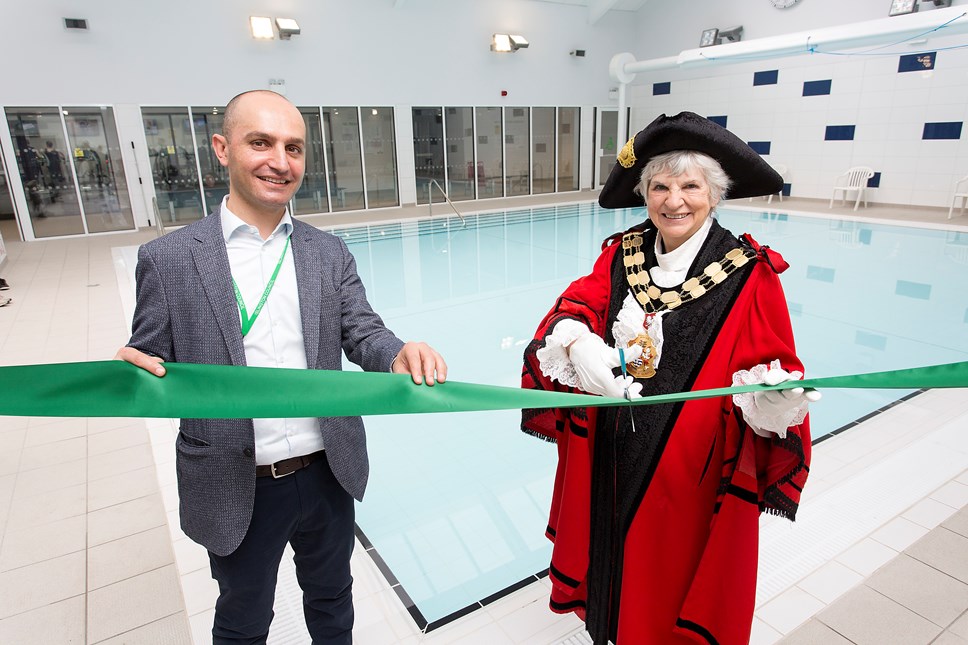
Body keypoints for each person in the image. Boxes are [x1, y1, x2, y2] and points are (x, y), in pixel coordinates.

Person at [116, 89, 447, 644]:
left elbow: (360, 330)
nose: (280, 161)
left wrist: (396, 353)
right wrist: (132, 370)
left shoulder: (327, 251)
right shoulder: (170, 259)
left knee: (333, 603)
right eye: (260, 143)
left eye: (293, 148)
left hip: (326, 469)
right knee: (243, 621)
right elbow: (150, 358)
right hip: (234, 478)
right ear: (222, 149)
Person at [521, 111, 818, 645]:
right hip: (611, 456)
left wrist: (777, 400)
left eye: (690, 185)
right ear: (644, 192)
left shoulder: (750, 271)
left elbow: (774, 368)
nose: (673, 200)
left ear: (715, 193)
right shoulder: (621, 254)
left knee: (668, 587)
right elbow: (572, 307)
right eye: (659, 185)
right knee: (611, 576)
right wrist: (576, 340)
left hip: (688, 476)